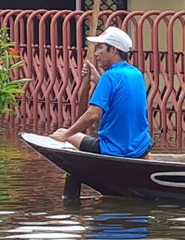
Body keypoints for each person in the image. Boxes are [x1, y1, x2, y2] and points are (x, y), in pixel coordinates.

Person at [49, 27, 152, 158]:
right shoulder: (136, 74)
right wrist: (98, 79)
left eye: (100, 48)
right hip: (140, 147)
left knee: (61, 131)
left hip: (113, 149)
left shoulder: (110, 76)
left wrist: (66, 135)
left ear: (113, 50)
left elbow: (93, 115)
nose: (96, 54)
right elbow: (118, 96)